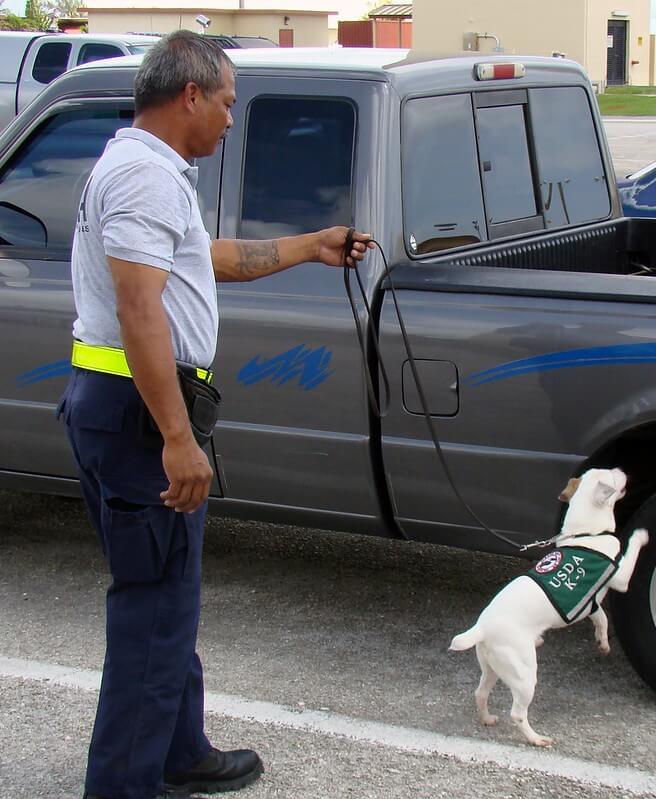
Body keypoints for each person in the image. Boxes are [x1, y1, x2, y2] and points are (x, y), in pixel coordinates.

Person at [58, 29, 373, 799]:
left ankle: (179, 748)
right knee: (152, 608)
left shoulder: (149, 168)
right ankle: (126, 784)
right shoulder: (141, 177)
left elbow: (206, 259)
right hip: (138, 414)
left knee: (170, 592)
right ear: (190, 94)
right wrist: (174, 436)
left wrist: (312, 245)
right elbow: (140, 310)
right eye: (228, 102)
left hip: (135, 409)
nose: (232, 119)